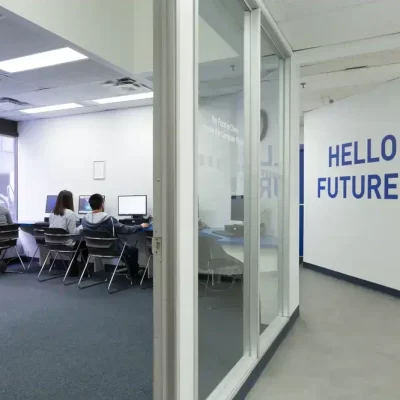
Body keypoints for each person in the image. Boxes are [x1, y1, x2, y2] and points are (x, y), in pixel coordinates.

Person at [78, 193, 148, 276]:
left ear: (90, 205)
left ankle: (129, 270)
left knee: (125, 249)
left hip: (94, 250)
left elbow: (79, 231)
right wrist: (140, 226)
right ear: (102, 204)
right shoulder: (109, 220)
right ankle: (133, 274)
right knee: (132, 250)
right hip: (111, 250)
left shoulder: (84, 220)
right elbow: (126, 229)